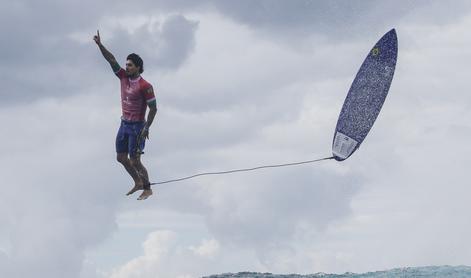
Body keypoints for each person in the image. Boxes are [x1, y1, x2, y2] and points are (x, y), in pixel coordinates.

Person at [93, 30, 157, 200]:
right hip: (124, 124)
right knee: (121, 157)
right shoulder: (123, 77)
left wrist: (146, 128)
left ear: (137, 67)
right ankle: (137, 181)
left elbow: (154, 109)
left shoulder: (145, 85)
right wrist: (100, 45)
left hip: (137, 127)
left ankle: (148, 188)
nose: (126, 67)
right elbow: (111, 60)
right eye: (126, 64)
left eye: (130, 65)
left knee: (135, 160)